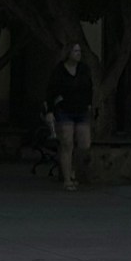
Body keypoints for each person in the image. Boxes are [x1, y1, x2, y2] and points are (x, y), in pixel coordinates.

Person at [44, 42, 93, 191]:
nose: (78, 53)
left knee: (85, 144)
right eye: (75, 51)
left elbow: (89, 87)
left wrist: (89, 104)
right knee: (67, 143)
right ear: (68, 53)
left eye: (79, 51)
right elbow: (51, 90)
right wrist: (50, 111)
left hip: (81, 109)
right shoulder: (59, 70)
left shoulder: (84, 69)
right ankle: (67, 179)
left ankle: (72, 168)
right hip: (65, 110)